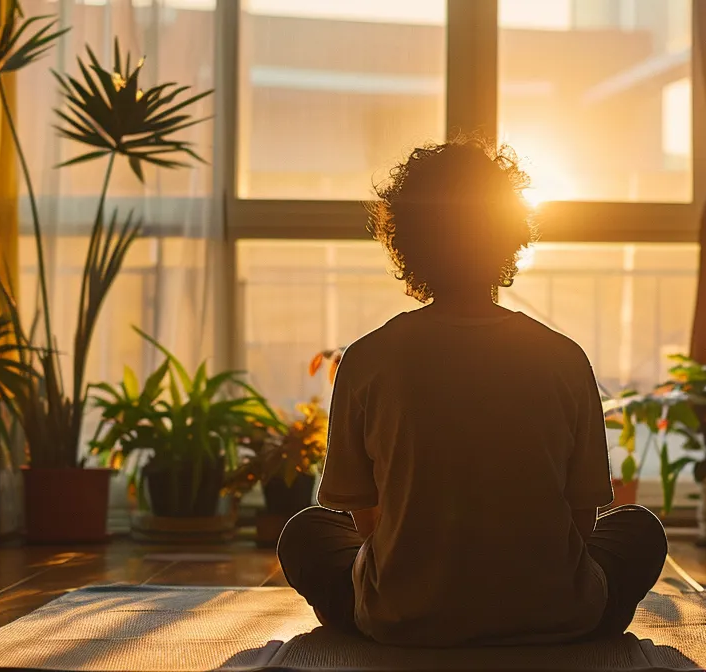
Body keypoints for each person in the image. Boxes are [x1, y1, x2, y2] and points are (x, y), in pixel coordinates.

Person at [276, 139, 668, 648]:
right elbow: (583, 517)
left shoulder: (368, 357)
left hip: (403, 618)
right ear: (509, 234)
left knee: (308, 533)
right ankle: (567, 622)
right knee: (639, 529)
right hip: (556, 615)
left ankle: (382, 619)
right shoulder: (563, 357)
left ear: (406, 241)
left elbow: (365, 518)